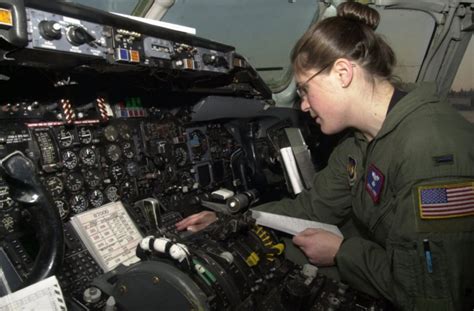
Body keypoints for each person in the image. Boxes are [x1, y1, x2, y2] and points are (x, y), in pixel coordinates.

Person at [176, 2, 474, 310]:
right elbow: (311, 207)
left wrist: (342, 253)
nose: (303, 105)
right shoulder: (359, 142)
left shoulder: (432, 153)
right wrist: (231, 221)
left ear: (343, 73)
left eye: (305, 90)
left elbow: (431, 295)